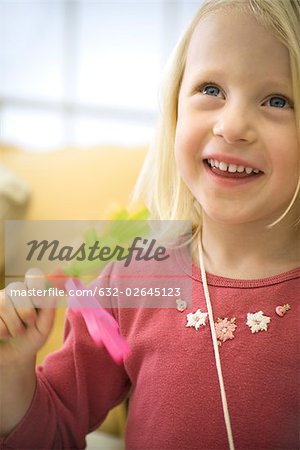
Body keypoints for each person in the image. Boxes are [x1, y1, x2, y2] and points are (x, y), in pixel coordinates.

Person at [0, 0, 299, 449]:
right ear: (175, 108)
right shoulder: (134, 275)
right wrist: (11, 372)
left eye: (277, 100)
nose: (233, 125)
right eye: (211, 89)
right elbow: (52, 432)